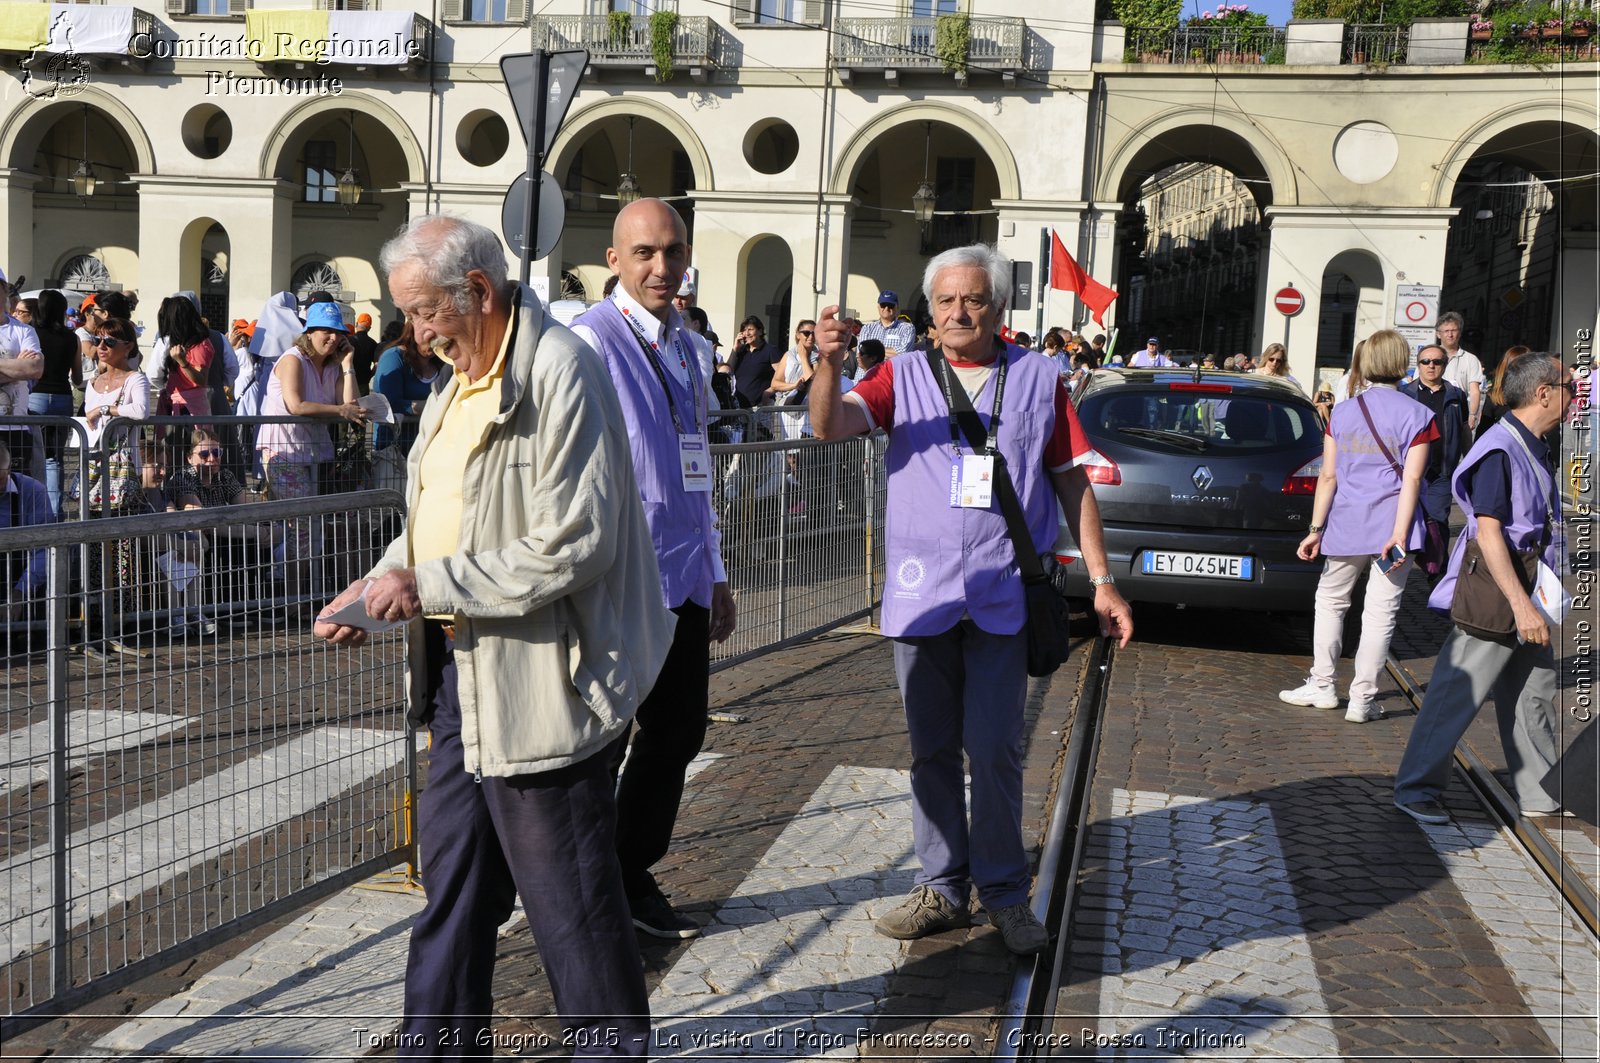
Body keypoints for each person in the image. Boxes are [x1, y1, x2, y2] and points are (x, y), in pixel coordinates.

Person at [315, 214, 673, 1058]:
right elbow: (437, 523)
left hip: (541, 684)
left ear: (477, 292)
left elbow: (572, 542)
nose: (414, 332)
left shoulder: (560, 371)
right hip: (459, 680)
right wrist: (376, 584)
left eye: (423, 310)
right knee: (455, 887)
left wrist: (425, 584)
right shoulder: (454, 380)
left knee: (573, 909)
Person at [809, 243, 1133, 955]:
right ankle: (943, 887)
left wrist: (1104, 581)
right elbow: (830, 425)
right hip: (922, 598)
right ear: (931, 309)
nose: (960, 312)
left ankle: (1007, 893)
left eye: (975, 299)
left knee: (993, 748)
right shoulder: (903, 374)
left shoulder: (1041, 378)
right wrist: (828, 365)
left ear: (999, 307)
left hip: (1002, 593)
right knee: (931, 751)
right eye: (948, 300)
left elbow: (1071, 480)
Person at [570, 199, 735, 939]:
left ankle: (630, 867)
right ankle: (585, 886)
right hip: (620, 581)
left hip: (686, 577)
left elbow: (696, 470)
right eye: (645, 252)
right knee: (601, 741)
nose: (662, 266)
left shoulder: (689, 347)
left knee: (677, 732)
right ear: (614, 260)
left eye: (673, 250)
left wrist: (719, 567)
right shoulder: (588, 342)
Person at [1393, 353, 1575, 824]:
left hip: (1530, 583)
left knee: (1535, 689)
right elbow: (1489, 531)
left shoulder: (1536, 442)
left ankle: (1540, 791)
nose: (1578, 395)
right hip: (1498, 587)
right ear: (1544, 394)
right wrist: (1521, 604)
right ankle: (1415, 788)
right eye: (1571, 387)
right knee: (1458, 689)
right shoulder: (1501, 448)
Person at [1278, 330, 1434, 723]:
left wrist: (1315, 528)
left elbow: (1327, 477)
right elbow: (1412, 480)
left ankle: (1323, 684)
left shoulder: (1342, 413)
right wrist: (1400, 533)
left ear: (1365, 363)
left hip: (1347, 522)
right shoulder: (1419, 415)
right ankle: (1363, 700)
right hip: (1393, 529)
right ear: (1403, 363)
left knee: (1331, 602)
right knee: (1381, 613)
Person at [1400, 343, 1470, 549]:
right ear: (1418, 365)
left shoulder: (1456, 395)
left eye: (1437, 362)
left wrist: (1469, 460)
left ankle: (1437, 572)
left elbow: (1464, 429)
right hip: (1407, 471)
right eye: (1426, 361)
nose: (1431, 365)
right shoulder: (1405, 394)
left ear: (1445, 365)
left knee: (1438, 523)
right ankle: (1401, 565)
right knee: (1405, 520)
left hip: (1442, 472)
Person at [25, 290, 81, 516]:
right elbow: (77, 378)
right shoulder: (72, 338)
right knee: (55, 459)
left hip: (35, 396)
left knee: (32, 455)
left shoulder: (31, 333)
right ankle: (54, 514)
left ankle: (33, 511)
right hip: (62, 397)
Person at [370, 320, 444, 455]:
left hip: (431, 447)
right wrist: (435, 406)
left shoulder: (442, 361)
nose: (435, 343)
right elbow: (389, 404)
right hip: (395, 451)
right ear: (414, 331)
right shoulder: (394, 357)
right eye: (431, 337)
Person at [0, 440, 54, 623]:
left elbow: (45, 548)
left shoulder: (33, 491)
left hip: (18, 576)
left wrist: (20, 592)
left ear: (9, 469)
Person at [1436, 311, 1485, 433]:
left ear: (1460, 333)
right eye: (1446, 331)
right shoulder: (1429, 357)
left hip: (1460, 415)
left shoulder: (1471, 359)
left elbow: (1474, 391)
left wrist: (1473, 415)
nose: (1450, 334)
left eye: (1454, 330)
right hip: (1434, 411)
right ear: (1438, 334)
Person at [725, 315, 782, 408]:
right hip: (739, 407)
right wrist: (735, 349)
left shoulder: (770, 350)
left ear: (760, 331)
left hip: (761, 407)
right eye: (744, 330)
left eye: (750, 329)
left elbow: (782, 376)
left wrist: (768, 393)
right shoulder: (741, 351)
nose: (747, 333)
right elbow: (727, 371)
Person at [860, 289, 915, 354]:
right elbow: (861, 353)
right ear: (878, 306)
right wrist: (893, 353)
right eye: (883, 305)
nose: (886, 308)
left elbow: (904, 352)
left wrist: (873, 351)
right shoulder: (867, 328)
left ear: (897, 307)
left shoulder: (907, 328)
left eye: (890, 305)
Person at [349, 312, 379, 395]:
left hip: (348, 380)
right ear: (369, 328)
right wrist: (369, 376)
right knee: (362, 406)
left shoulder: (348, 341)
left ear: (356, 324)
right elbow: (377, 365)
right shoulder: (373, 343)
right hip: (363, 383)